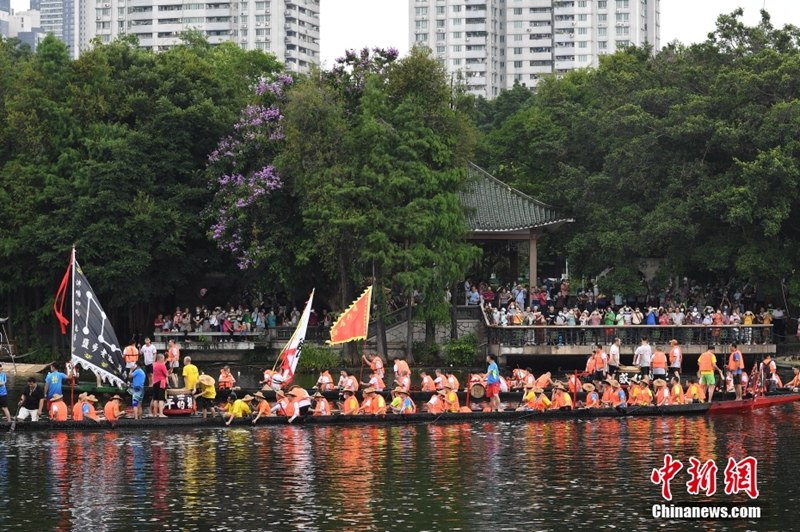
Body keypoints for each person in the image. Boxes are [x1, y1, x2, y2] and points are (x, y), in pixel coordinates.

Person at [152, 353, 169, 418]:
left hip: (154, 382)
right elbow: (166, 374)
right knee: (161, 399)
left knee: (155, 399)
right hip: (161, 382)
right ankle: (161, 413)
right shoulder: (162, 365)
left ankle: (155, 413)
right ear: (161, 358)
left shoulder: (154, 364)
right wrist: (168, 373)